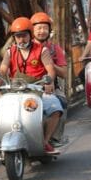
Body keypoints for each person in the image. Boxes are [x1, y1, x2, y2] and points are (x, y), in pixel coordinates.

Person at [0, 16, 63, 155]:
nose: (21, 40)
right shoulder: (10, 52)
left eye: (24, 36)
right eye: (18, 37)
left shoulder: (42, 50)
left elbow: (51, 70)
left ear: (30, 35)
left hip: (37, 89)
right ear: (14, 38)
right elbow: (3, 69)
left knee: (55, 108)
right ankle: (5, 139)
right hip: (15, 91)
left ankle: (45, 141)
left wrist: (48, 82)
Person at [31, 12, 68, 147]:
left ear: (49, 30)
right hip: (29, 87)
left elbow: (64, 73)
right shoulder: (26, 48)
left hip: (50, 88)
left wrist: (51, 64)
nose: (41, 31)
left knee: (61, 103)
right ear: (32, 30)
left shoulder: (54, 48)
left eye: (44, 28)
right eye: (38, 28)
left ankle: (53, 138)